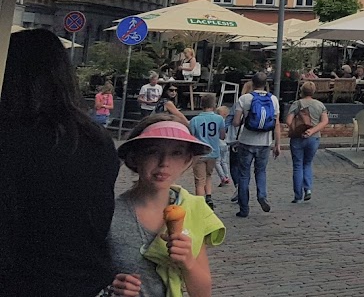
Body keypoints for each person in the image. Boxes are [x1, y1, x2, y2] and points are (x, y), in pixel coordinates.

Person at [0, 27, 123, 297]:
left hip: (20, 281)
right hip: (84, 281)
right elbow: (99, 218)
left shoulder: (9, 137)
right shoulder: (97, 140)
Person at [107, 116, 224, 297]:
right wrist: (111, 288)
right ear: (134, 157)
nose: (164, 163)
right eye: (153, 152)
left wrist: (188, 263)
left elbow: (202, 293)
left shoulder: (193, 209)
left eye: (176, 153)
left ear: (187, 160)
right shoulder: (109, 215)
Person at [227, 73, 281, 218]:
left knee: (244, 175)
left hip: (246, 141)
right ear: (266, 83)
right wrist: (277, 144)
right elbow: (276, 124)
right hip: (265, 142)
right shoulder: (273, 99)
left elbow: (236, 122)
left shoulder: (244, 99)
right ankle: (262, 195)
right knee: (261, 171)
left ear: (252, 82)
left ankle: (244, 209)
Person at [287, 81, 328, 204]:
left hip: (298, 138)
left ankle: (298, 195)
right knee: (308, 163)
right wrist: (312, 131)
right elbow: (325, 121)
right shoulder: (320, 105)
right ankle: (308, 189)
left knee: (298, 165)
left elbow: (289, 120)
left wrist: (298, 130)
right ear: (314, 92)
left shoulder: (297, 104)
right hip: (313, 138)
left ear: (302, 91)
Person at [187, 106, 228, 209]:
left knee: (199, 180)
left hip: (199, 153)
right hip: (213, 152)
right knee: (208, 175)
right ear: (213, 106)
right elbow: (222, 136)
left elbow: (191, 136)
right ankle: (209, 197)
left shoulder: (195, 120)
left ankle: (199, 204)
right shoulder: (219, 119)